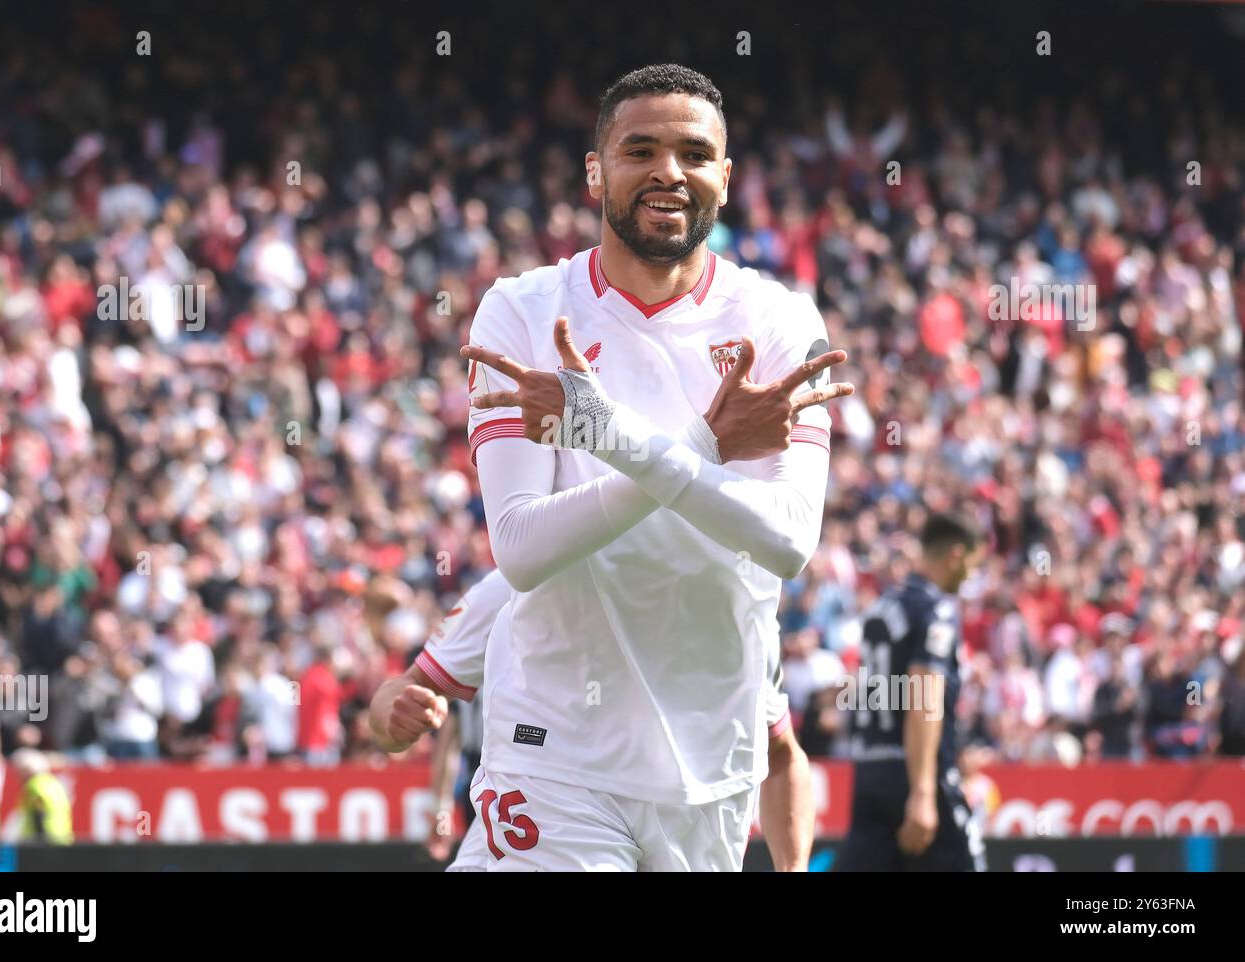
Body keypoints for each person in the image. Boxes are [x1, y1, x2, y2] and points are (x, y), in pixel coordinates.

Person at [454, 63, 851, 871]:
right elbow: (523, 548)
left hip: (711, 757)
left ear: (726, 180)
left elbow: (787, 540)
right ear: (596, 170)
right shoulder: (523, 311)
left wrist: (606, 432)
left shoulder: (778, 321)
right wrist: (705, 450)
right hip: (554, 741)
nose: (669, 170)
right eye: (640, 150)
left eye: (694, 154)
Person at [371, 569, 816, 871]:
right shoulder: (524, 573)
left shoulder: (736, 604)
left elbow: (782, 754)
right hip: (553, 806)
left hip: (691, 829)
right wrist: (397, 715)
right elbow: (395, 702)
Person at [835, 512, 987, 872]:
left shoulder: (882, 606)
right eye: (972, 564)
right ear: (955, 555)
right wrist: (922, 793)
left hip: (871, 772)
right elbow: (924, 696)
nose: (971, 576)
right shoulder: (936, 611)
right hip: (917, 772)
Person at [11, 748, 73, 845]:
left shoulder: (34, 785)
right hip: (62, 838)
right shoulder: (54, 782)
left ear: (28, 770)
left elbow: (39, 814)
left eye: (20, 770)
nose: (18, 775)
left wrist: (39, 843)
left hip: (45, 841)